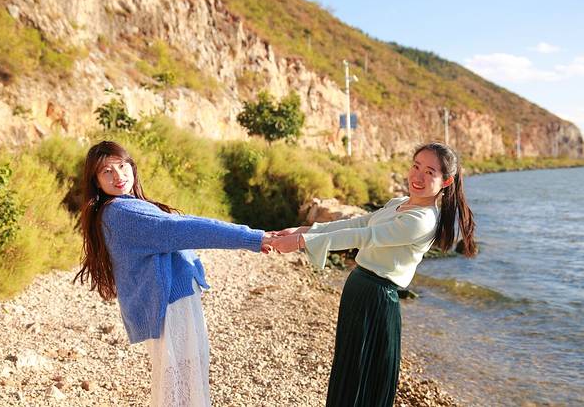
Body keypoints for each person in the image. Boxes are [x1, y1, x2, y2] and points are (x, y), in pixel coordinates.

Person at [270, 142, 476, 407]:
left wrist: (301, 243)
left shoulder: (422, 220)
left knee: (362, 376)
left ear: (446, 181)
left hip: (377, 298)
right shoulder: (399, 204)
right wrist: (305, 231)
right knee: (349, 368)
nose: (418, 176)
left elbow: (365, 236)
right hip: (359, 289)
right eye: (416, 167)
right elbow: (359, 223)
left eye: (429, 172)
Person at [74, 141, 272, 407]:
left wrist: (256, 236)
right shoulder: (121, 212)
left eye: (121, 166)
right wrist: (252, 239)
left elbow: (181, 224)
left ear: (132, 166)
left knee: (183, 381)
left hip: (170, 302)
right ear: (96, 182)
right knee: (181, 386)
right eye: (106, 171)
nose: (118, 175)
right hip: (169, 304)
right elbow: (183, 230)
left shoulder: (126, 207)